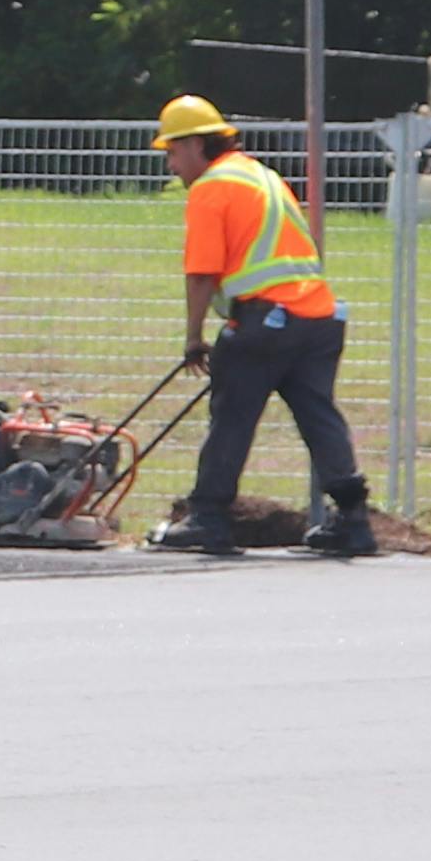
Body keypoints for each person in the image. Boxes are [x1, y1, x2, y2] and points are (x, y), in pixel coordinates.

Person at [144, 91, 377, 559]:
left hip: (267, 320)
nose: (170, 165)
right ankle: (353, 521)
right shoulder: (262, 174)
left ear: (194, 144)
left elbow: (202, 272)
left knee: (232, 415)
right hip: (319, 317)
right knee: (318, 414)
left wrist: (193, 338)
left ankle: (208, 517)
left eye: (171, 151)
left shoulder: (212, 187)